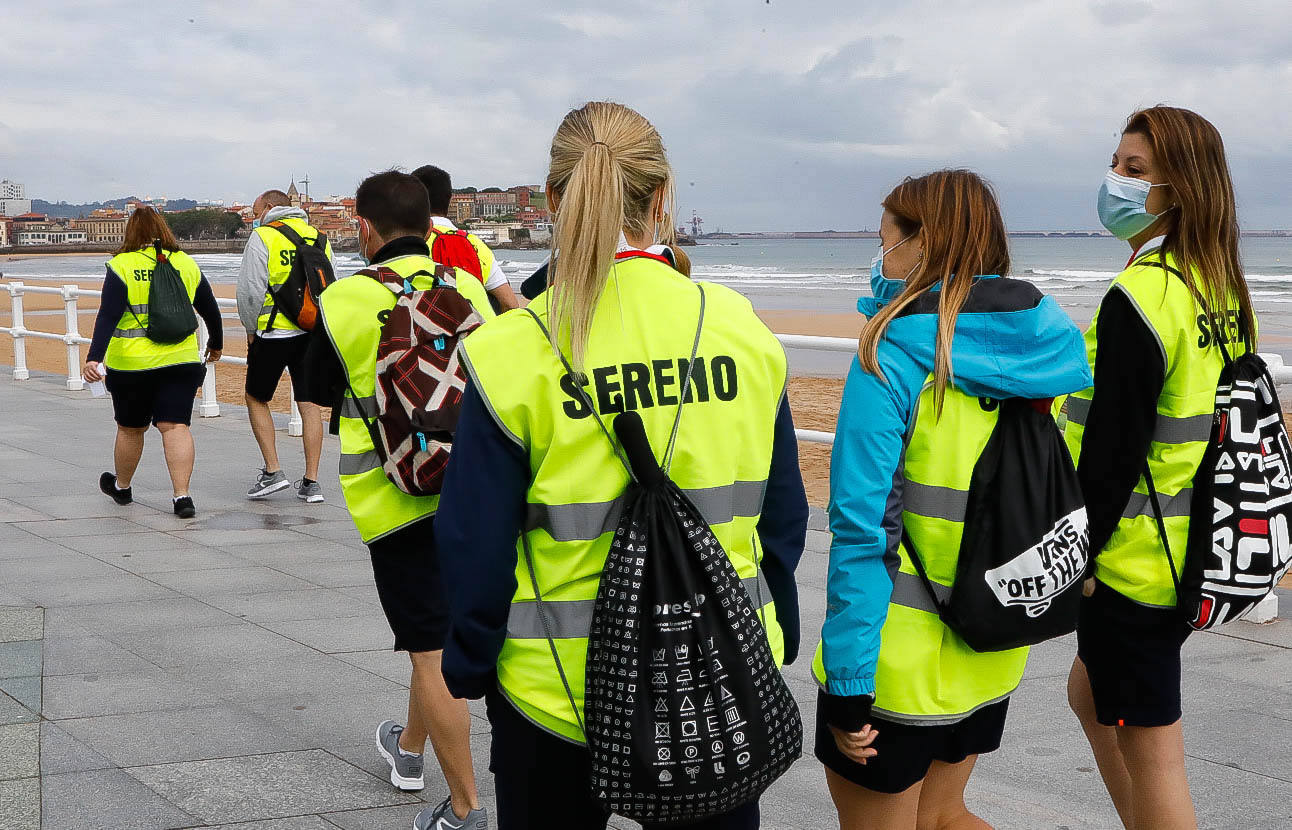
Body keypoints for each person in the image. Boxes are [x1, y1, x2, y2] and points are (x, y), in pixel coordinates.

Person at [435, 101, 808, 830]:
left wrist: (471, 663)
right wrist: (779, 628)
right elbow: (783, 515)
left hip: (555, 692)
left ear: (551, 199)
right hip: (715, 669)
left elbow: (472, 542)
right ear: (662, 197)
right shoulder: (740, 330)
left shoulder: (513, 348)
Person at [813, 170, 1090, 829]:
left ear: (922, 244)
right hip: (991, 645)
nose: (879, 256)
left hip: (894, 667)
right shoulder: (1043, 349)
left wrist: (850, 682)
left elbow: (862, 529)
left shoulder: (894, 355)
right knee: (945, 816)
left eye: (885, 240)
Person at [1064, 106, 1255, 830]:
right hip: (1193, 547)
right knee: (1088, 696)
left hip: (1134, 561)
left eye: (1134, 169)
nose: (1115, 180)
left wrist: (1080, 555)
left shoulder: (1142, 297)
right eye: (1116, 162)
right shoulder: (1219, 287)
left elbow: (1112, 456)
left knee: (1156, 752)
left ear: (1179, 185)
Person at [309, 170, 494, 830]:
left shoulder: (342, 302)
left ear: (364, 226)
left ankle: (467, 809)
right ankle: (409, 752)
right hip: (472, 488)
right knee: (434, 635)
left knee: (428, 650)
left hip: (394, 498)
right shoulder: (467, 287)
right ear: (429, 223)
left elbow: (324, 392)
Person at [84, 206, 224, 518]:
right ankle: (182, 497)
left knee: (131, 429)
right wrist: (216, 343)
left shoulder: (122, 265)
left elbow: (107, 315)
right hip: (181, 362)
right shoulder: (185, 263)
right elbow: (209, 307)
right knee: (175, 426)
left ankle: (122, 487)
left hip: (132, 365)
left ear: (130, 232)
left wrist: (94, 357)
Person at [235, 189, 332, 503]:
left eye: (254, 210)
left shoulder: (263, 237)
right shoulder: (319, 237)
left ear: (269, 207)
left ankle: (273, 471)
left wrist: (251, 330)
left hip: (272, 333)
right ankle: (312, 481)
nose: (252, 217)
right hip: (311, 333)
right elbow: (330, 286)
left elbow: (250, 291)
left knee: (255, 397)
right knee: (309, 404)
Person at [412, 164, 521, 312]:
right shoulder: (475, 244)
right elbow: (510, 304)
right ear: (449, 200)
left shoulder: (411, 243)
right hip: (475, 331)